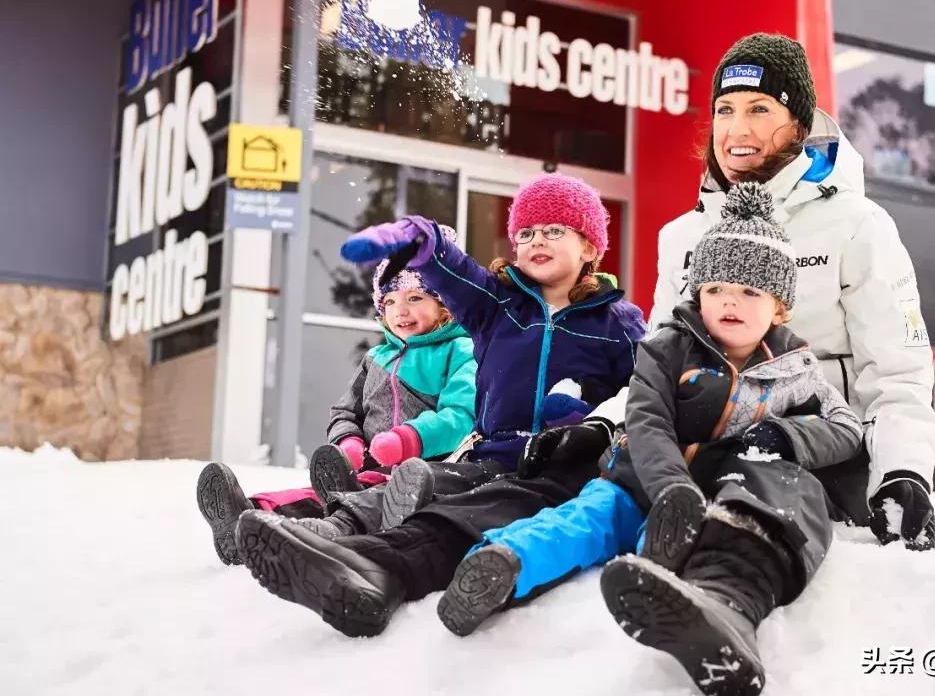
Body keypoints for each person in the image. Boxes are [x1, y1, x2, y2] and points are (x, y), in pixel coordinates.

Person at [519, 32, 935, 556]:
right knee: (572, 492)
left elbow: (896, 373)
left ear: (799, 125)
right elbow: (661, 365)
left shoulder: (858, 226)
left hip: (811, 458)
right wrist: (603, 425)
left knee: (733, 518)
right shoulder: (683, 238)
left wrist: (903, 472)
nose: (737, 130)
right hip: (703, 446)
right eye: (725, 109)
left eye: (759, 109)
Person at [436, 183, 861, 644]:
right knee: (589, 516)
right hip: (643, 477)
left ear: (779, 308)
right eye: (715, 288)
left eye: (749, 292)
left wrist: (787, 437)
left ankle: (686, 592)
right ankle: (505, 562)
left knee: (762, 509)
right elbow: (647, 420)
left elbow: (844, 428)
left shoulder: (796, 369)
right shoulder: (667, 349)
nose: (729, 302)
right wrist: (671, 487)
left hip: (730, 492)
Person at [233, 173, 646, 637]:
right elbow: (456, 274)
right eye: (526, 233)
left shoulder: (617, 324)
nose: (536, 241)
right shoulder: (498, 303)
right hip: (495, 452)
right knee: (424, 483)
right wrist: (423, 243)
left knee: (461, 513)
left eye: (554, 231)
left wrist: (590, 420)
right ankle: (334, 536)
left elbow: (641, 394)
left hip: (562, 465)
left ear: (590, 247)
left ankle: (370, 566)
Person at [194, 247, 476, 565]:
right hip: (369, 468)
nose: (401, 311)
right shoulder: (376, 359)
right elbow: (345, 411)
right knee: (321, 497)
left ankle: (291, 532)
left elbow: (461, 416)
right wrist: (348, 441)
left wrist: (408, 439)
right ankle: (248, 516)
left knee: (353, 501)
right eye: (390, 302)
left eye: (414, 298)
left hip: (421, 475)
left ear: (444, 305)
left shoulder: (460, 350)